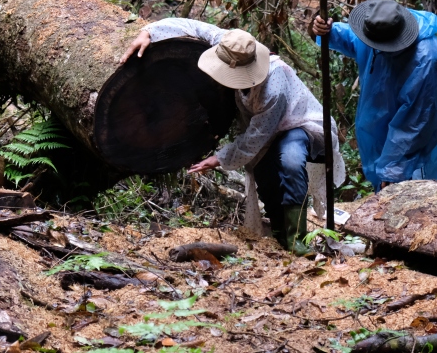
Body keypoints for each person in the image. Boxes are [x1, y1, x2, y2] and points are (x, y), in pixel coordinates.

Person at [121, 18, 344, 255]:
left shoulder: (274, 87)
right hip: (265, 130)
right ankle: (280, 233)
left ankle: (297, 238)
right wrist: (149, 32)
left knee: (289, 159)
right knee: (265, 176)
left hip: (299, 124)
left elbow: (257, 136)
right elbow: (192, 26)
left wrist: (220, 158)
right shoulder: (231, 44)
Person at [312, 0, 437, 192]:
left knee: (416, 192)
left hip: (413, 147)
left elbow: (415, 125)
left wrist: (393, 169)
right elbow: (353, 39)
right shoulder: (378, 30)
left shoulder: (426, 59)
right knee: (386, 192)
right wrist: (328, 30)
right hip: (381, 129)